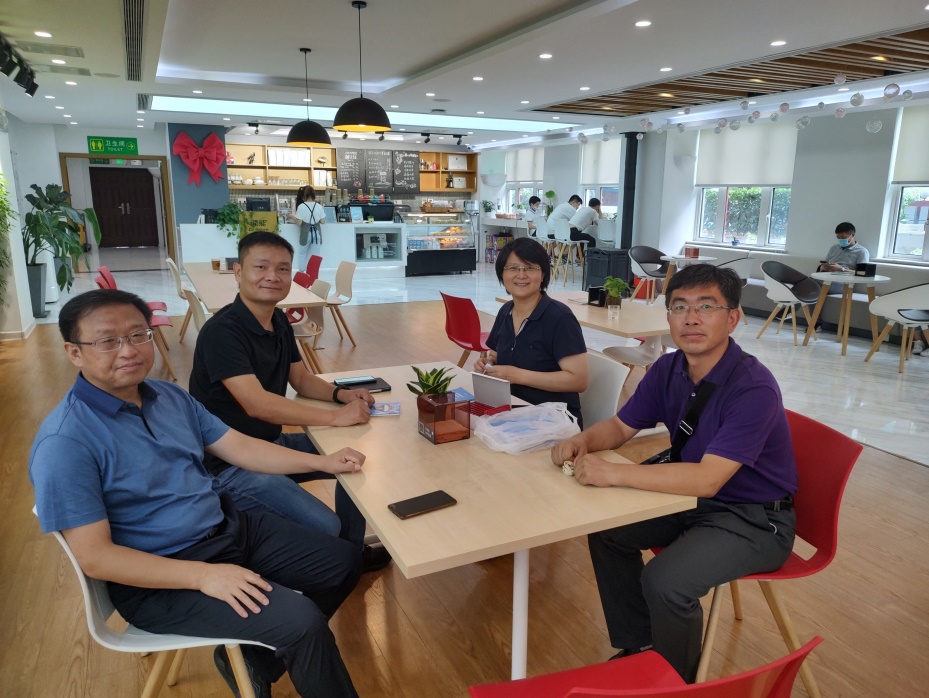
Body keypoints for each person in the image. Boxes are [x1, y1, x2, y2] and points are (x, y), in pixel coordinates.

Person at [30, 289, 363, 697]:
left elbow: (240, 448)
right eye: (107, 341)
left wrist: (323, 462)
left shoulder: (168, 396)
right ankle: (276, 648)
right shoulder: (65, 442)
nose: (128, 350)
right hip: (160, 577)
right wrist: (203, 576)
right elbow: (95, 557)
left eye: (138, 335)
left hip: (227, 529)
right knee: (301, 621)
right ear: (74, 352)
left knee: (344, 561)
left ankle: (256, 662)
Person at [551, 264, 797, 683]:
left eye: (706, 307)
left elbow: (707, 480)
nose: (691, 318)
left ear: (732, 318)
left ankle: (674, 685)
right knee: (608, 531)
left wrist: (614, 474)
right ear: (668, 318)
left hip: (754, 517)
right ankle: (642, 646)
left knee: (666, 581)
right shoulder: (668, 369)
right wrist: (583, 441)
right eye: (680, 307)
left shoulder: (753, 387)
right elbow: (622, 427)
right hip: (693, 500)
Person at [190, 231, 391, 572]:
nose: (273, 276)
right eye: (261, 266)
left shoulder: (278, 319)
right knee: (326, 525)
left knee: (356, 458)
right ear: (238, 271)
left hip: (270, 443)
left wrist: (342, 394)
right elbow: (258, 405)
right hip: (229, 465)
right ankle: (337, 560)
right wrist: (335, 417)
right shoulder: (222, 332)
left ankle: (349, 556)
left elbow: (300, 379)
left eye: (283, 269)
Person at [475, 237, 589, 426]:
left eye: (529, 268)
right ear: (502, 274)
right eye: (513, 268)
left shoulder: (559, 317)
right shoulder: (505, 311)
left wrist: (515, 375)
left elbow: (579, 380)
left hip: (553, 419)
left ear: (543, 274)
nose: (521, 275)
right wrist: (487, 364)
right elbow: (494, 355)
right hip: (511, 410)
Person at [288, 185, 325, 275]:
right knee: (315, 256)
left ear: (304, 195)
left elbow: (299, 222)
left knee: (302, 254)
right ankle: (313, 275)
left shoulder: (301, 206)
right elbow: (323, 221)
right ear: (314, 195)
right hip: (317, 233)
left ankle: (302, 273)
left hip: (306, 233)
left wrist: (292, 216)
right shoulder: (319, 206)